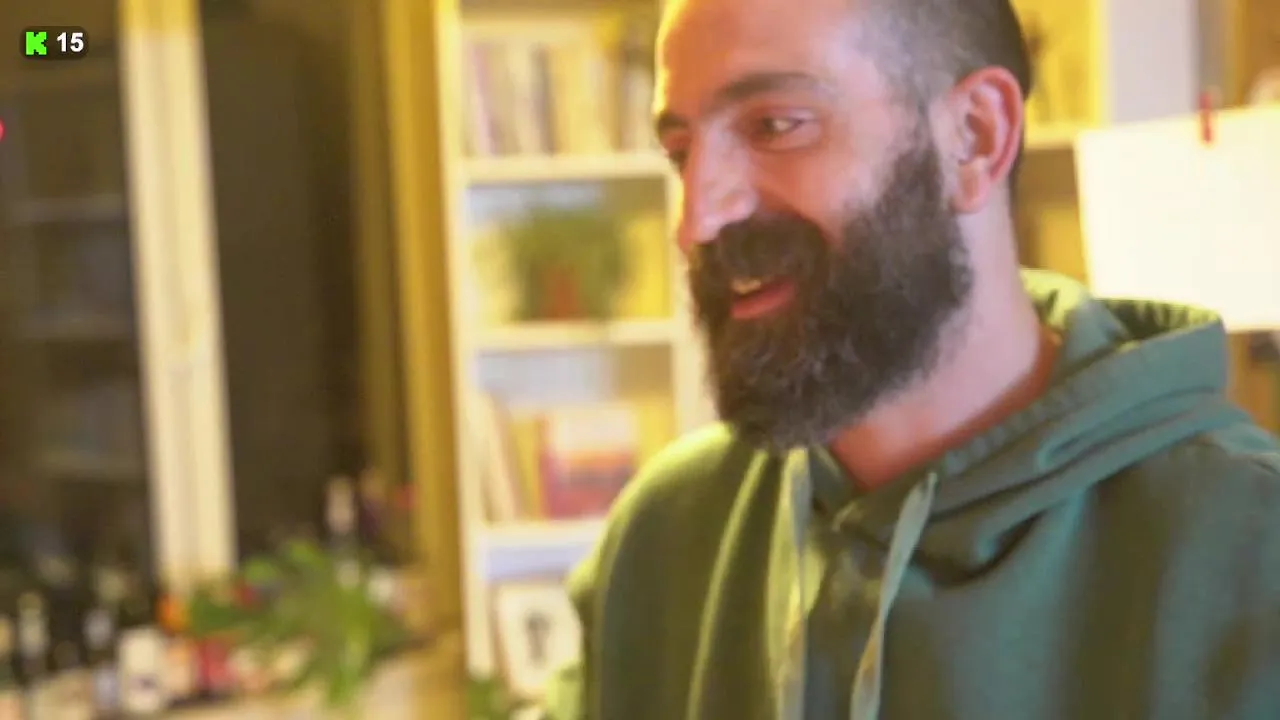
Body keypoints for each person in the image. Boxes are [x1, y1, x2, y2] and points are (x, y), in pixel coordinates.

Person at [541, 0, 1280, 717]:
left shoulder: (1251, 549)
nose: (697, 219)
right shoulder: (665, 535)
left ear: (974, 136)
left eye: (776, 126)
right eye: (681, 154)